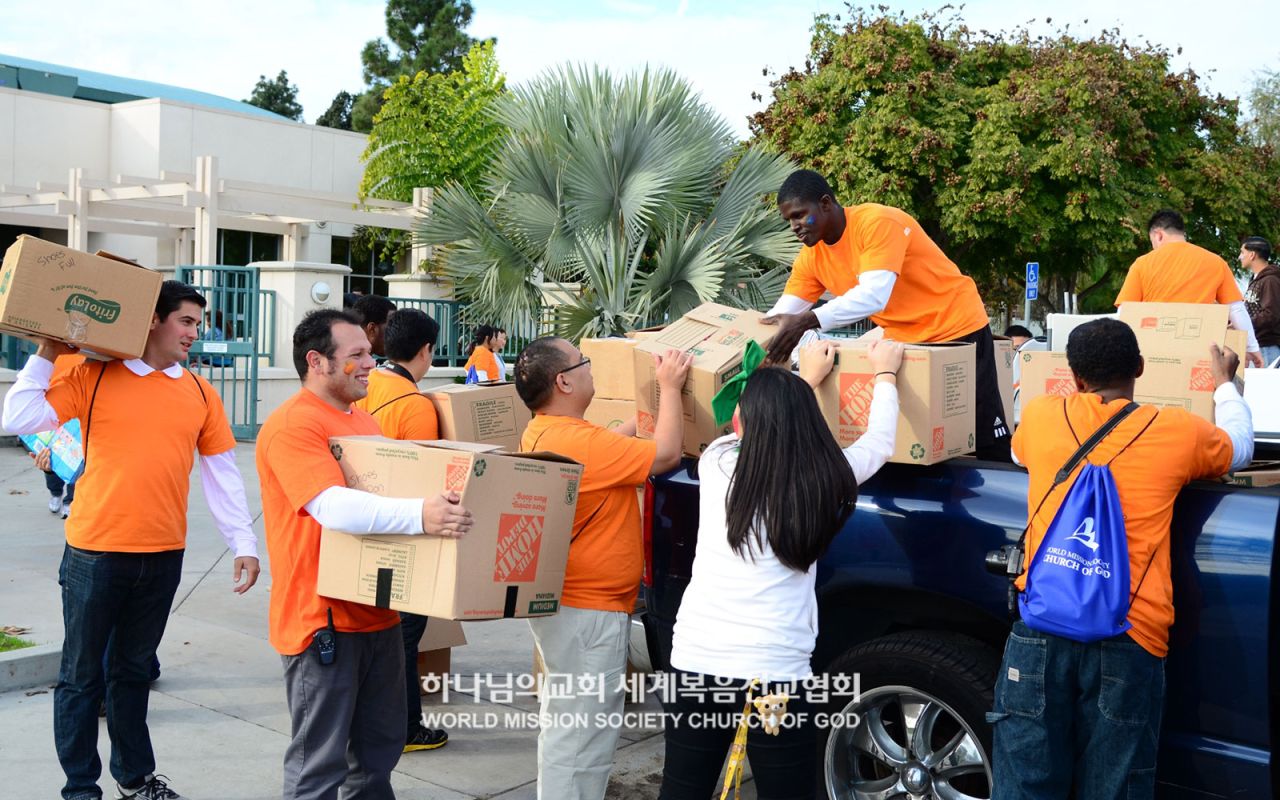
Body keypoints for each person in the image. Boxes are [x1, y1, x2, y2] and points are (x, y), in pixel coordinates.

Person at [2, 280, 261, 800]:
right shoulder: (93, 376)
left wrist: (244, 543)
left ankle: (136, 779)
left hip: (163, 555)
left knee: (132, 674)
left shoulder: (199, 392)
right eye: (186, 321)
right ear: (152, 321)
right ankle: (80, 788)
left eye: (198, 322)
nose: (195, 332)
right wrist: (49, 352)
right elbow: (19, 418)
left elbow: (222, 472)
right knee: (80, 677)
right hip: (95, 553)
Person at [991, 318, 1253, 800]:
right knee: (1114, 787)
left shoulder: (1046, 416)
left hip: (1042, 624)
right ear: (1140, 368)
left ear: (1074, 377)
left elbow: (1014, 449)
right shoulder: (1176, 431)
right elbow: (1240, 447)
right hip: (1130, 633)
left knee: (1024, 783)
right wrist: (1224, 386)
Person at [659, 339, 902, 800]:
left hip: (697, 662)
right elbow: (880, 443)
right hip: (777, 674)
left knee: (682, 789)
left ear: (740, 422)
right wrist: (885, 375)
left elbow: (749, 430)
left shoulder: (716, 464)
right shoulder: (829, 477)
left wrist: (803, 378)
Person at [256, 309, 473, 800]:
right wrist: (423, 515)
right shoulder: (294, 424)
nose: (369, 363)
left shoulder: (363, 419)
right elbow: (331, 506)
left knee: (377, 758)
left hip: (378, 617)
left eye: (369, 353)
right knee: (319, 767)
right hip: (322, 623)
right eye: (355, 355)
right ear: (317, 361)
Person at [513, 336, 691, 800]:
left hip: (569, 607)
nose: (591, 369)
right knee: (583, 738)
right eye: (584, 363)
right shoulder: (579, 441)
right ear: (564, 380)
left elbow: (611, 445)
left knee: (567, 723)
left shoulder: (546, 429)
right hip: (589, 614)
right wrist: (670, 387)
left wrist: (645, 410)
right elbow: (668, 455)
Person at [762, 169, 1011, 460]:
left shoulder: (877, 223)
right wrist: (751, 344)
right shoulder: (811, 257)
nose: (795, 226)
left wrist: (808, 320)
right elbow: (782, 314)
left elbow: (873, 295)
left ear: (826, 203)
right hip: (904, 342)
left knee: (983, 436)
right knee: (914, 439)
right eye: (789, 220)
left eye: (800, 215)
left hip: (956, 329)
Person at [350, 308, 449, 753]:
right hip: (403, 535)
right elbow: (426, 481)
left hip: (359, 523)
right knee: (403, 638)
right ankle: (407, 728)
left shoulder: (364, 387)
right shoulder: (415, 405)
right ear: (426, 350)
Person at [1115, 210, 1263, 367]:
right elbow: (1236, 310)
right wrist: (1252, 347)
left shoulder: (1142, 264)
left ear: (1158, 235)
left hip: (1154, 355)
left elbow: (1125, 312)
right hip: (1199, 356)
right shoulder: (1215, 262)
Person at [1241, 236, 1280, 367]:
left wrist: (1243, 323)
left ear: (1252, 255)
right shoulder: (1256, 280)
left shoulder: (1270, 280)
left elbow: (1271, 315)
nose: (1240, 257)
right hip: (1258, 346)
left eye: (1242, 252)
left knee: (1265, 387)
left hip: (1267, 347)